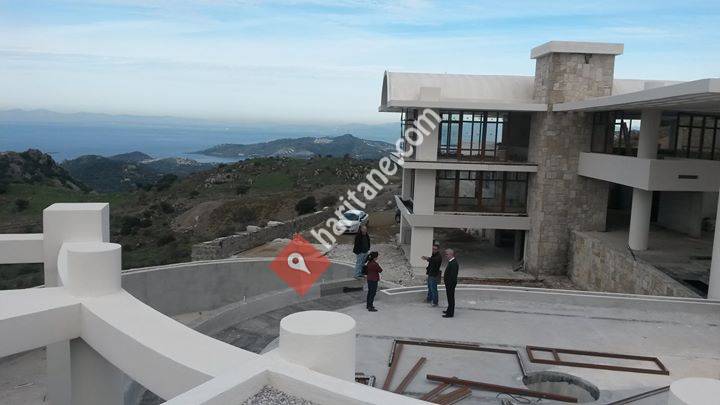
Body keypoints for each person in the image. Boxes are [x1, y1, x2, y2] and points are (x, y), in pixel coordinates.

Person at [442, 249, 459, 318]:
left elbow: (453, 276)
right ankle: (449, 310)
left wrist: (449, 284)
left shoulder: (453, 263)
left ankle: (450, 313)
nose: (446, 256)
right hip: (449, 284)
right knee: (449, 298)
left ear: (451, 254)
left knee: (451, 298)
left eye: (447, 254)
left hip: (450, 284)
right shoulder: (451, 262)